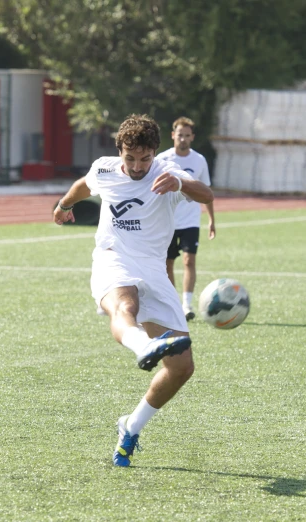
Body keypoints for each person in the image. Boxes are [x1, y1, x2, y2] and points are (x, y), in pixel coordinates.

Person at [52, 114, 214, 466]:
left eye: (145, 159)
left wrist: (180, 185)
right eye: (131, 158)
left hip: (154, 271)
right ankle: (144, 345)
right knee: (124, 305)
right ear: (120, 152)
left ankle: (131, 425)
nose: (138, 166)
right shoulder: (105, 169)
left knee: (182, 367)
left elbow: (206, 193)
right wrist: (64, 206)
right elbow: (84, 184)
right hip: (114, 258)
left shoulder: (168, 172)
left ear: (155, 152)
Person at [158, 117, 216, 321]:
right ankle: (172, 303)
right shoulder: (163, 160)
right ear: (173, 135)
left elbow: (206, 191)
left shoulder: (199, 160)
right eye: (179, 135)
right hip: (168, 221)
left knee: (189, 260)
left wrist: (211, 219)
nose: (183, 139)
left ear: (192, 137)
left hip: (191, 220)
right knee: (167, 263)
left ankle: (186, 304)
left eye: (187, 135)